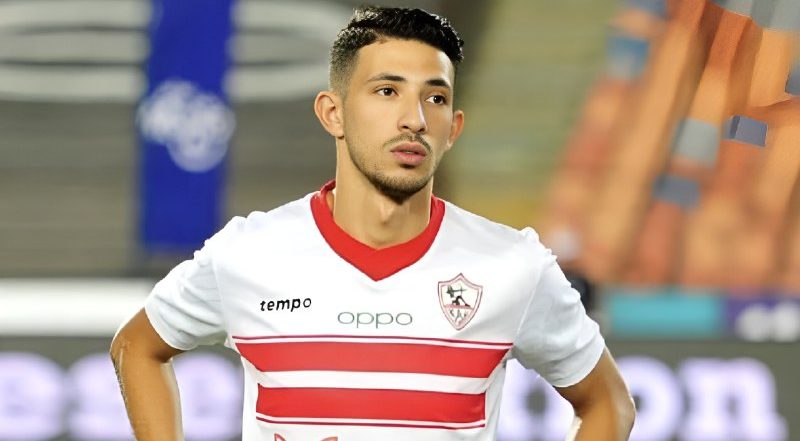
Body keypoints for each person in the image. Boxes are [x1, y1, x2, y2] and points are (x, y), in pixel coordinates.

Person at [111, 6, 635, 441]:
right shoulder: (249, 253)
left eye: (435, 97)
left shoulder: (512, 264)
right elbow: (137, 347)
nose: (414, 119)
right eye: (387, 91)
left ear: (453, 128)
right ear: (332, 113)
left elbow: (608, 403)